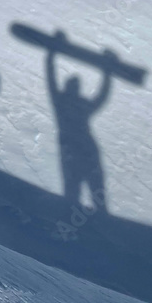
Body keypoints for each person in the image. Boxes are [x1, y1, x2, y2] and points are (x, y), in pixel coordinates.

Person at [46, 35, 114, 211]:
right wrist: (51, 53)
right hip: (77, 151)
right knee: (76, 193)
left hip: (82, 150)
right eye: (73, 85)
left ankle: (96, 220)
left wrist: (108, 73)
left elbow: (101, 97)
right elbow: (51, 78)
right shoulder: (61, 102)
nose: (75, 89)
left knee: (91, 191)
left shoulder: (69, 104)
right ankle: (78, 221)